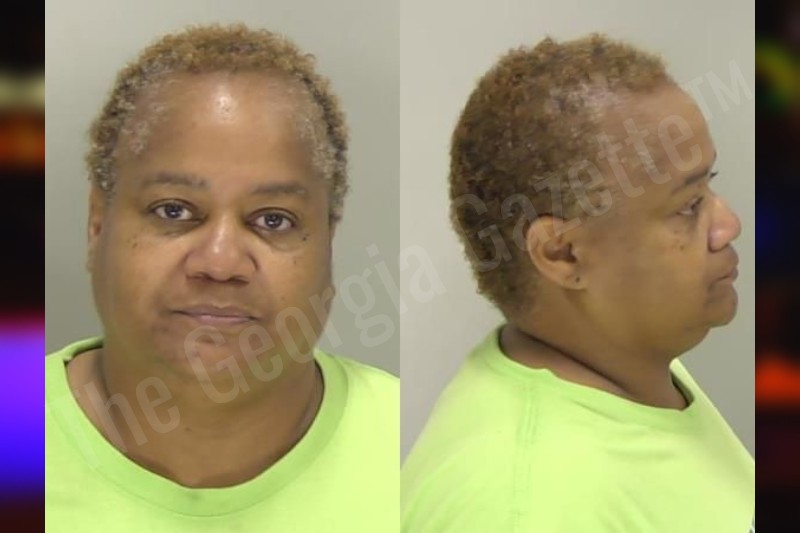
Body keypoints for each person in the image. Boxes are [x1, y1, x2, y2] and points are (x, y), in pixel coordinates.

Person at [45, 24, 398, 532]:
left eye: (273, 219)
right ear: (97, 225)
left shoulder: (412, 449)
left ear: (329, 241)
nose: (220, 263)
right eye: (173, 210)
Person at [402, 34, 754, 532]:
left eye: (708, 185)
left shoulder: (632, 368)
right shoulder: (527, 507)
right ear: (562, 253)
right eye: (688, 205)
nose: (728, 225)